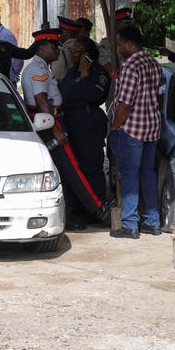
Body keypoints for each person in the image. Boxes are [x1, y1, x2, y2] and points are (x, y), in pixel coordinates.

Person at [21, 28, 112, 231]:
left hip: (73, 121)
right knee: (72, 170)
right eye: (54, 46)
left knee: (76, 169)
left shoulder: (47, 68)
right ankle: (96, 208)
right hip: (50, 122)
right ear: (42, 47)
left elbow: (90, 94)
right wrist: (56, 131)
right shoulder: (38, 69)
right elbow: (41, 101)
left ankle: (80, 212)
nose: (60, 50)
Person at [108, 25, 163, 239]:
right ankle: (153, 221)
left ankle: (130, 224)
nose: (119, 48)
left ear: (130, 44)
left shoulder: (131, 66)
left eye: (121, 44)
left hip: (132, 129)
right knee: (148, 173)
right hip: (152, 126)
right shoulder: (153, 62)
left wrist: (115, 126)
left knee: (129, 174)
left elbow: (125, 104)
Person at [59, 37, 111, 226]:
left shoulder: (98, 73)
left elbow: (92, 95)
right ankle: (80, 209)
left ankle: (96, 210)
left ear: (86, 54)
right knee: (76, 168)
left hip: (88, 124)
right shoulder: (72, 71)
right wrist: (79, 79)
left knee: (92, 167)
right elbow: (63, 94)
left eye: (75, 51)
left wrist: (85, 74)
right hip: (71, 123)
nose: (71, 53)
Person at [97, 7, 134, 74]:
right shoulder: (106, 43)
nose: (129, 25)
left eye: (130, 22)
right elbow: (109, 68)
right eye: (126, 23)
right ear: (116, 23)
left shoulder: (133, 40)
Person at [51, 15, 83, 81]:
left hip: (66, 87)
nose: (59, 34)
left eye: (61, 31)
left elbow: (57, 74)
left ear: (68, 33)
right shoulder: (84, 46)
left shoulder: (63, 50)